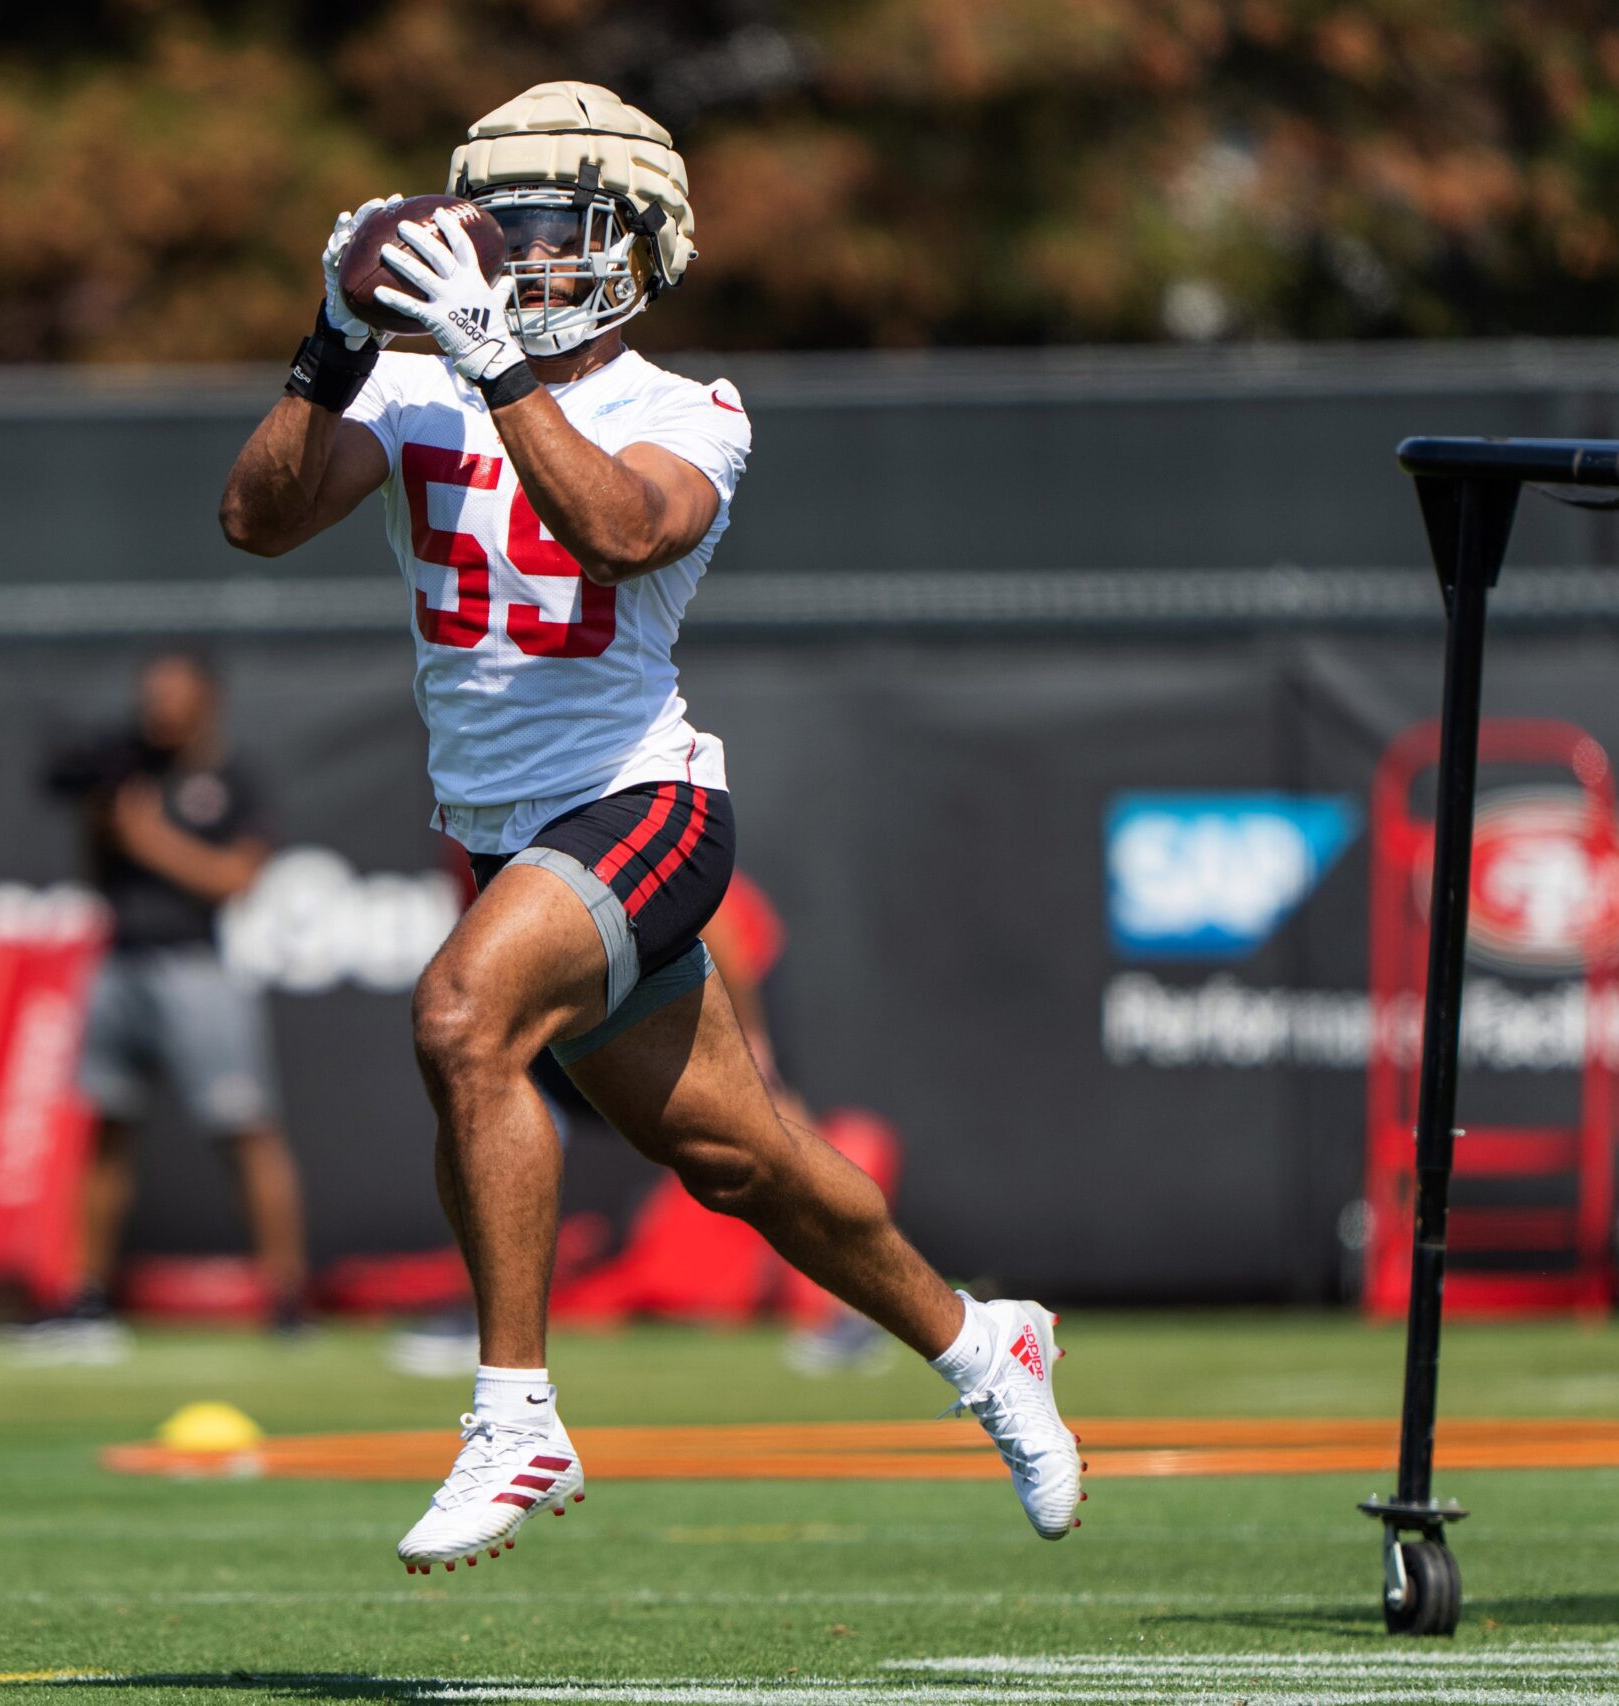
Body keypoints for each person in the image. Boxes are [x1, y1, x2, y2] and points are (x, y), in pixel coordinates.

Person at [219, 81, 1081, 1571]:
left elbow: (620, 530)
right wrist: (333, 345)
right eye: (508, 228)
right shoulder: (420, 386)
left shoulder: (690, 409)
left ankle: (516, 1415)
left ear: (639, 245)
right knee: (748, 1161)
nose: (526, 259)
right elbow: (257, 517)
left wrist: (495, 368)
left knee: (460, 1013)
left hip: (645, 809)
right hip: (511, 837)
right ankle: (979, 1342)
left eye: (560, 231)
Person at [9, 648, 308, 1360]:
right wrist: (103, 819)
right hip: (119, 960)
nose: (160, 707)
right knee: (107, 1130)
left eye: (174, 694)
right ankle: (85, 1299)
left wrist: (151, 837)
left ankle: (288, 1298)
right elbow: (95, 863)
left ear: (208, 700)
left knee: (244, 1127)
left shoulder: (230, 777)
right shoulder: (127, 770)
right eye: (152, 694)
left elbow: (237, 878)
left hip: (195, 966)